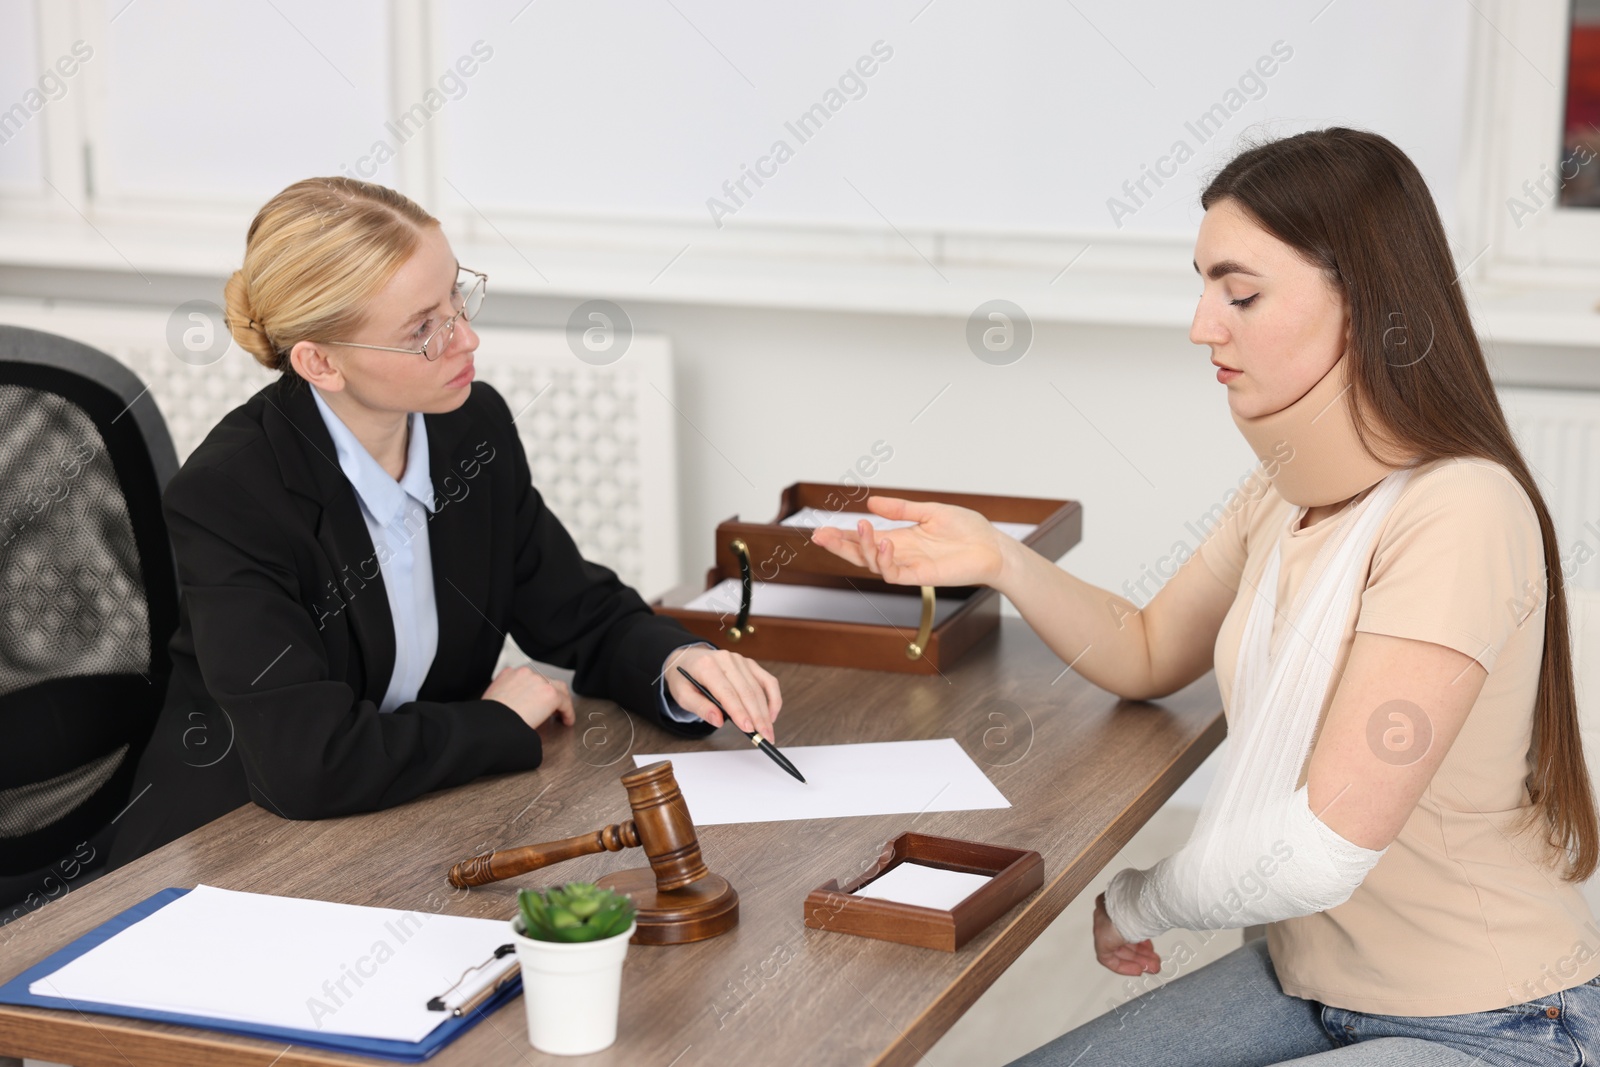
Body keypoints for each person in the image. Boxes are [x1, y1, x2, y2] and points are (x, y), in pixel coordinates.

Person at [812, 127, 1600, 1065]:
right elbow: (1146, 650)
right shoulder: (1284, 492)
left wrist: (1139, 897)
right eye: (1204, 288)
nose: (1201, 324)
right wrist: (999, 561)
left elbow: (1320, 847)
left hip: (1496, 1019)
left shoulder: (1460, 511)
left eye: (1241, 294)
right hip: (1307, 977)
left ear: (1367, 304)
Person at [109, 177, 780, 867]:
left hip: (407, 825)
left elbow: (579, 611)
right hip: (233, 852)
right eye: (423, 328)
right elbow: (307, 761)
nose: (467, 337)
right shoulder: (231, 495)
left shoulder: (469, 429)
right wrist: (493, 724)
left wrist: (679, 661)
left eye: (457, 298)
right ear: (319, 361)